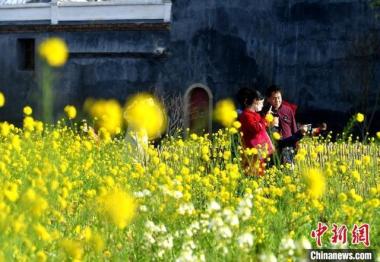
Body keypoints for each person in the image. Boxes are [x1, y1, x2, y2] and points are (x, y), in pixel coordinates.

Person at [238, 88, 274, 175]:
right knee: (254, 176)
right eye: (261, 102)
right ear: (255, 101)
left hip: (259, 152)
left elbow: (262, 127)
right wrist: (265, 118)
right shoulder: (246, 115)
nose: (262, 105)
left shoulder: (255, 115)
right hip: (252, 153)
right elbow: (257, 128)